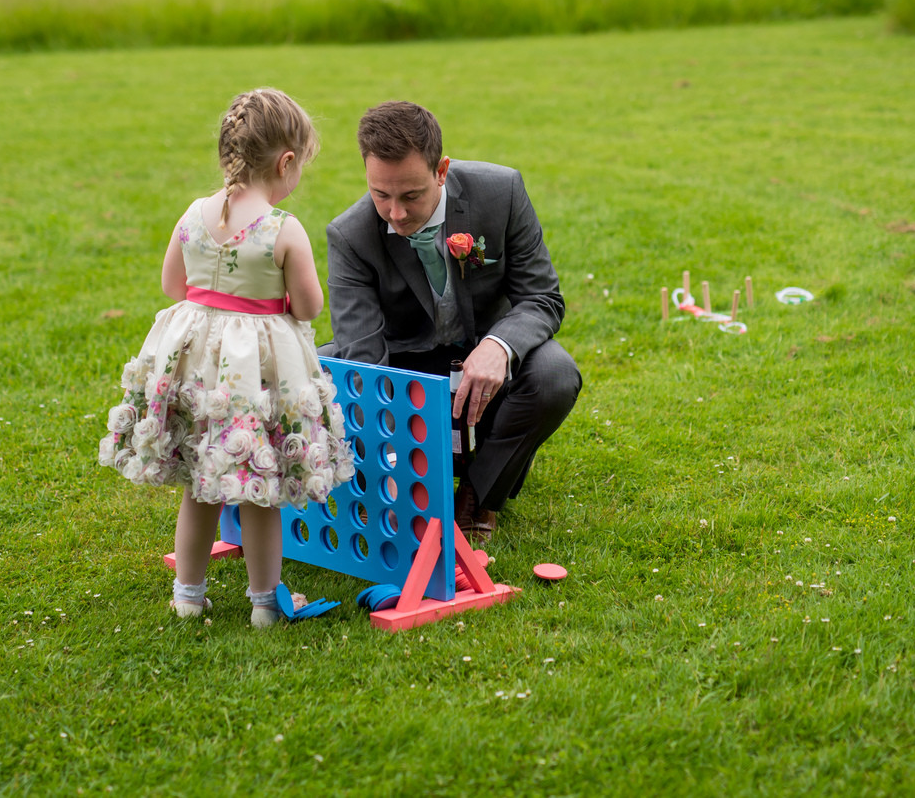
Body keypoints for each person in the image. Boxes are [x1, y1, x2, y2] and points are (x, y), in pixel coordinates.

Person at [98, 88, 354, 628]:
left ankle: (188, 595)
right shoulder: (284, 230)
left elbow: (174, 284)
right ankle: (265, 603)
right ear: (286, 162)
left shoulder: (194, 213)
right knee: (260, 489)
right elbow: (308, 306)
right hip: (255, 374)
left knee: (200, 484)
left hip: (197, 364)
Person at [322, 101, 581, 544]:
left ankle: (479, 494)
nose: (396, 214)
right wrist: (390, 465)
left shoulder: (502, 192)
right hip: (405, 361)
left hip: (485, 359)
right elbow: (365, 358)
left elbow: (542, 297)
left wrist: (500, 346)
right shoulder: (350, 235)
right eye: (380, 195)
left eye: (411, 195)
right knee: (320, 366)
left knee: (555, 374)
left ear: (441, 170)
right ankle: (403, 481)